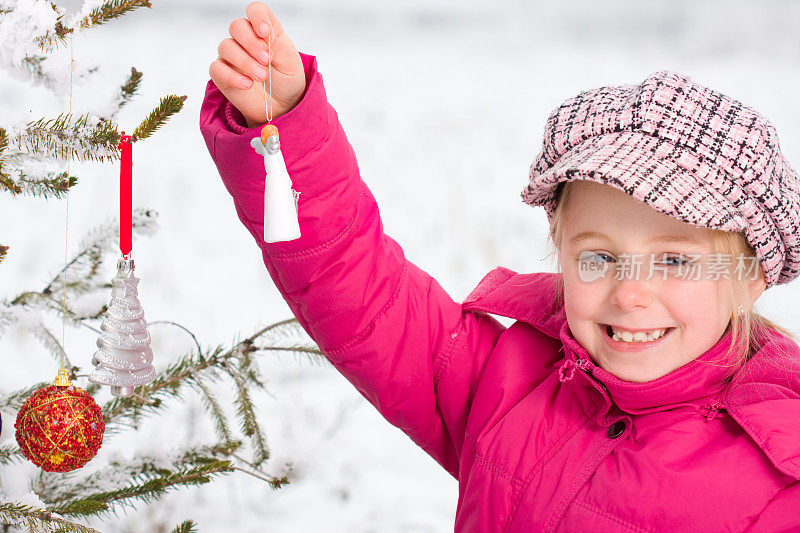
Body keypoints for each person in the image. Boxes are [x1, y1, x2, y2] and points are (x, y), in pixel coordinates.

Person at [200, 3, 800, 531]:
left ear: (750, 277)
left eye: (674, 259)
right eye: (598, 257)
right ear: (560, 252)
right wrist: (287, 130)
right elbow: (356, 286)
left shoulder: (779, 487)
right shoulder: (506, 380)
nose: (631, 294)